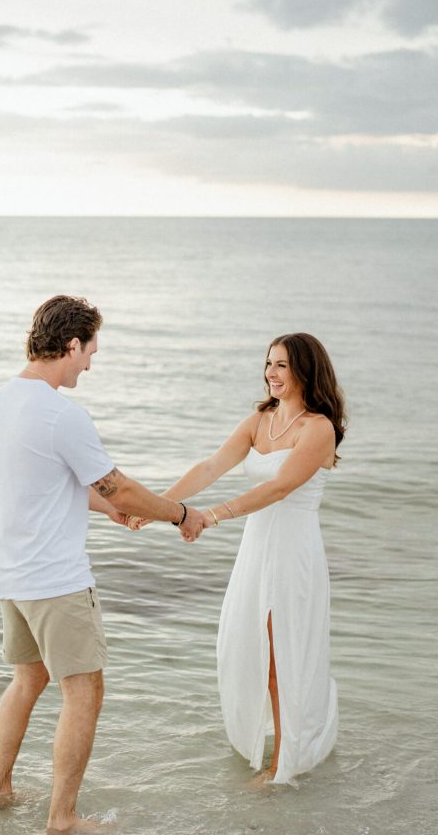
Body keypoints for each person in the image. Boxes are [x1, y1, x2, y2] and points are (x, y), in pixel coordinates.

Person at [0, 295, 206, 833]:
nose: (91, 364)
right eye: (90, 352)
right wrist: (179, 514)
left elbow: (53, 487)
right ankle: (62, 818)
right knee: (84, 691)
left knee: (25, 682)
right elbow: (120, 486)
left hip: (13, 576)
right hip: (56, 580)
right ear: (72, 344)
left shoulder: (4, 400)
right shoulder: (62, 413)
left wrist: (112, 509)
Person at [137, 333, 345, 785]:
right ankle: (272, 744)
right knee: (246, 644)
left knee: (280, 653)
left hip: (293, 551)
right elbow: (211, 466)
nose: (271, 373)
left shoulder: (318, 428)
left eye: (282, 365)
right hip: (256, 550)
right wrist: (154, 507)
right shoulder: (260, 419)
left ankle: (282, 766)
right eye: (268, 363)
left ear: (306, 370)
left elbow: (279, 487)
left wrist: (209, 517)